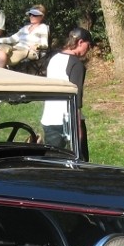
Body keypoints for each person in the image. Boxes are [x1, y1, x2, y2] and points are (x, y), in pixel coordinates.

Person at [41, 27, 93, 158]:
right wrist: (78, 131)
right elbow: (76, 98)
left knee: (52, 164)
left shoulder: (54, 59)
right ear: (80, 42)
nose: (88, 49)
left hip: (49, 119)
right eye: (88, 45)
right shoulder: (76, 65)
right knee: (79, 164)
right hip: (67, 122)